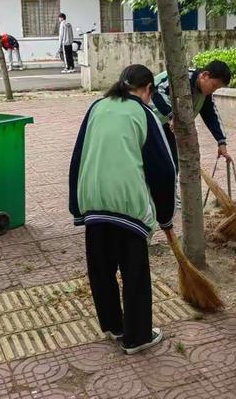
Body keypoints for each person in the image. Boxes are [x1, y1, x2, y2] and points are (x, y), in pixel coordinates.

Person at [69, 64, 176, 354]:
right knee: (134, 272)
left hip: (93, 200)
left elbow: (78, 155)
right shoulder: (144, 113)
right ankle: (138, 336)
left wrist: (76, 206)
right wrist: (165, 216)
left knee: (101, 269)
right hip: (127, 206)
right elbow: (164, 170)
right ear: (147, 90)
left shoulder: (96, 106)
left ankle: (114, 326)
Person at [149, 60, 233, 171]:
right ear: (205, 75)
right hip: (149, 120)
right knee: (153, 160)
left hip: (171, 126)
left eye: (216, 89)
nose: (213, 90)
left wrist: (221, 141)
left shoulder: (205, 93)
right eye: (213, 86)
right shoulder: (181, 76)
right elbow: (157, 91)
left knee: (172, 164)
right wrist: (171, 115)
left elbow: (211, 116)